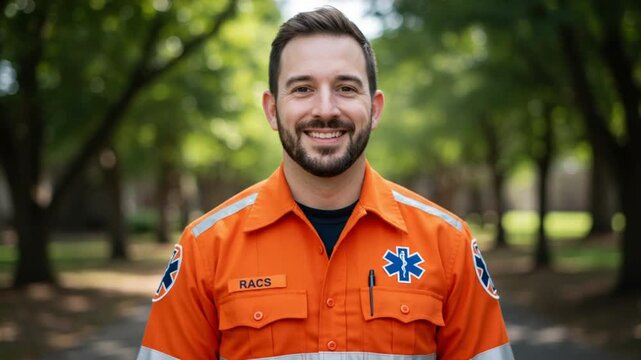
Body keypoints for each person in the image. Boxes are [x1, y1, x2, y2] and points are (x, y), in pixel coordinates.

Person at [137, 6, 514, 360]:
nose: (325, 109)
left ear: (376, 108)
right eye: (302, 89)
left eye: (346, 88)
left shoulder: (449, 244)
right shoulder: (206, 248)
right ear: (272, 109)